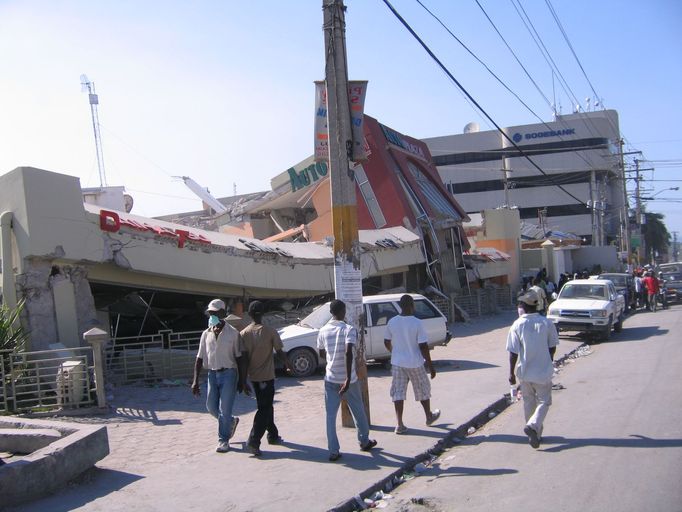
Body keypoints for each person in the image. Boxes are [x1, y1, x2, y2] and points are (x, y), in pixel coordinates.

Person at [316, 299, 377, 461]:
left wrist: (331, 360)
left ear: (331, 313)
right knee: (358, 410)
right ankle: (364, 441)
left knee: (330, 416)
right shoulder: (349, 329)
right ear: (343, 312)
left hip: (330, 378)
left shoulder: (322, 331)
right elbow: (349, 352)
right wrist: (349, 378)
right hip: (348, 379)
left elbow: (322, 353)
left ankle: (333, 451)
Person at [192, 299, 249, 453]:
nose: (211, 316)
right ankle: (230, 421)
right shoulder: (206, 334)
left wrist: (242, 381)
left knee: (224, 408)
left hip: (229, 374)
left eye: (214, 313)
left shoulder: (233, 333)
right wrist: (195, 381)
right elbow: (199, 358)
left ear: (222, 313)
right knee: (211, 407)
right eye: (210, 313)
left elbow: (239, 358)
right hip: (212, 374)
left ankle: (223, 440)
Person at [507, 289, 559, 449]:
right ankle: (533, 426)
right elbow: (552, 347)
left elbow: (513, 351)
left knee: (528, 402)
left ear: (524, 306)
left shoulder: (517, 324)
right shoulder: (546, 323)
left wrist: (511, 373)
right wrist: (548, 360)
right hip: (543, 372)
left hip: (525, 372)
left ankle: (535, 432)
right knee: (544, 401)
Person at [384, 294, 440, 434]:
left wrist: (395, 352)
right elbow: (423, 346)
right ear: (411, 305)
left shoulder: (392, 322)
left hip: (397, 363)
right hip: (414, 362)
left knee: (398, 392)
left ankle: (399, 424)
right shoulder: (417, 323)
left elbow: (386, 341)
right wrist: (431, 366)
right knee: (422, 389)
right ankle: (428, 416)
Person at [240, 300, 291, 456]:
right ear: (263, 314)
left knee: (266, 405)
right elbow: (280, 352)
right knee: (264, 408)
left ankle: (273, 435)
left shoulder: (244, 334)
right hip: (267, 377)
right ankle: (253, 441)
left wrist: (243, 381)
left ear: (249, 314)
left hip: (253, 378)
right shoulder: (270, 331)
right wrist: (288, 364)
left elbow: (243, 359)